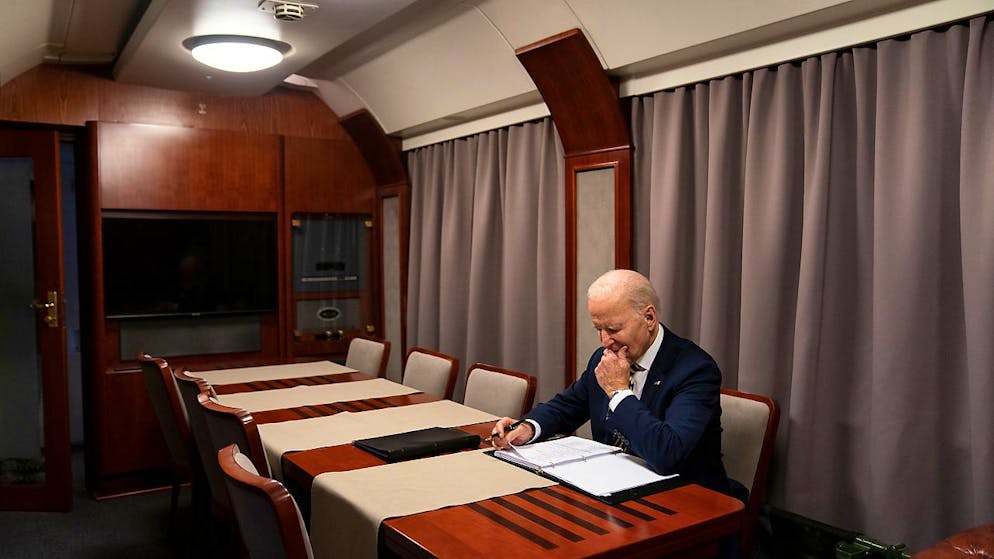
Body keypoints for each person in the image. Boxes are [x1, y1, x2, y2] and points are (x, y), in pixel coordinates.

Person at [491, 269, 736, 497]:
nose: (605, 341)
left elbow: (667, 453)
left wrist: (618, 392)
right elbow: (568, 406)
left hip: (685, 498)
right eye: (598, 329)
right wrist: (528, 428)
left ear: (648, 317)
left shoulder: (695, 369)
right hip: (612, 488)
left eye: (613, 329)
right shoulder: (605, 358)